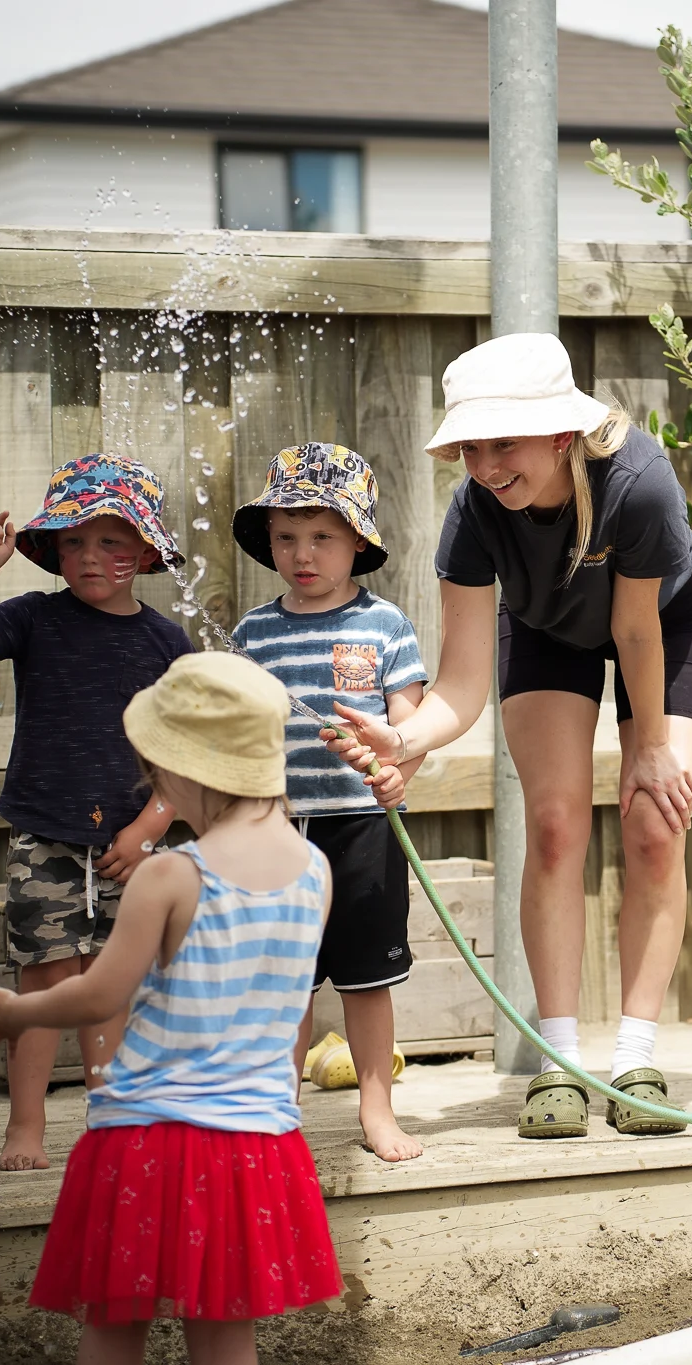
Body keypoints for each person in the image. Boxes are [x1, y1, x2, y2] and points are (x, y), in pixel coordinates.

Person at [323, 331, 692, 1139]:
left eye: (503, 443)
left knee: (654, 820)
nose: (484, 465)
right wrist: (406, 742)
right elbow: (463, 681)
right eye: (471, 446)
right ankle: (560, 1060)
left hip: (669, 625)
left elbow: (636, 628)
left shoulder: (637, 482)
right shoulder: (474, 513)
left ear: (559, 433)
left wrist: (648, 744)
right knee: (552, 826)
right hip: (546, 629)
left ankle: (635, 1056)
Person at [0, 652, 343, 1365]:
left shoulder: (171, 873)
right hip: (255, 1143)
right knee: (228, 1336)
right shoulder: (315, 873)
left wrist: (19, 1012)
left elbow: (101, 992)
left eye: (154, 771)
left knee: (113, 1325)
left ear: (187, 768)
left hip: (151, 1138)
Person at [0, 452, 193, 1171]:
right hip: (46, 833)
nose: (91, 556)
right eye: (74, 540)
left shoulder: (167, 643)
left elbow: (188, 754)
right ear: (53, 550)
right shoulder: (34, 619)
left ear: (143, 549)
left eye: (111, 541)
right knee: (44, 981)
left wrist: (150, 826)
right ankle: (27, 1126)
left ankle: (111, 1122)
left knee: (114, 981)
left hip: (133, 844)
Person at [231, 442, 429, 1163]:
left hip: (363, 822)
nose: (301, 553)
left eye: (321, 536)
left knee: (367, 978)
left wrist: (395, 765)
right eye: (286, 537)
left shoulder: (384, 625)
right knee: (286, 977)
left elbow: (410, 729)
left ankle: (376, 1110)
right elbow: (241, 730)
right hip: (278, 830)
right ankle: (278, 1114)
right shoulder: (254, 632)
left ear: (357, 541)